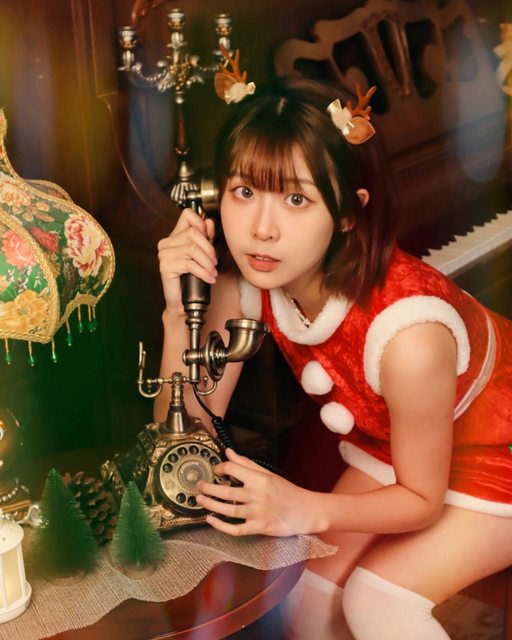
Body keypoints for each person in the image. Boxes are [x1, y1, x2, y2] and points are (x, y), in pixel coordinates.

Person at [155, 76, 512, 639]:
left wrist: (303, 506)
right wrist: (179, 312)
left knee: (379, 602)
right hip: (398, 447)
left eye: (296, 199)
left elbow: (421, 500)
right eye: (244, 192)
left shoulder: (411, 335)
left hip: (499, 452)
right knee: (305, 599)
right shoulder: (245, 285)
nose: (261, 230)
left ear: (348, 213)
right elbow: (182, 437)